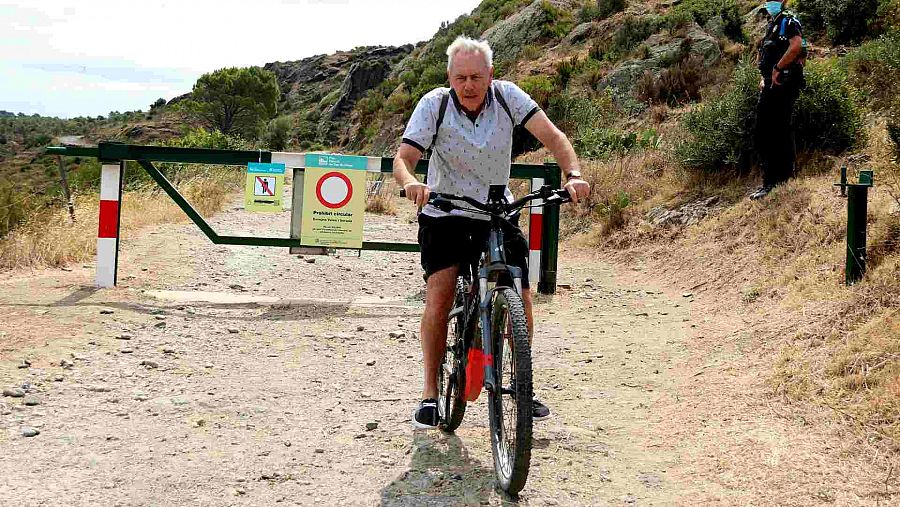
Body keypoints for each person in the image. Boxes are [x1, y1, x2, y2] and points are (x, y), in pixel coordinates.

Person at [392, 36, 590, 429]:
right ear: (449, 77)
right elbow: (405, 157)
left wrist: (574, 175)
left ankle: (521, 383)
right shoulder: (435, 104)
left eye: (476, 77)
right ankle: (430, 394)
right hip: (445, 211)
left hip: (496, 211)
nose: (469, 85)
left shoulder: (508, 98)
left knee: (520, 291)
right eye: (461, 77)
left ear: (490, 75)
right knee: (441, 292)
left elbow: (554, 138)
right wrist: (412, 183)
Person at [750, 0, 806, 200]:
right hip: (771, 84)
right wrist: (765, 77)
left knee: (773, 132)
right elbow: (766, 53)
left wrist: (778, 69)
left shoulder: (789, 21)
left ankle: (775, 181)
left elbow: (798, 46)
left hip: (783, 84)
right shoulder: (773, 24)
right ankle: (778, 178)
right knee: (768, 132)